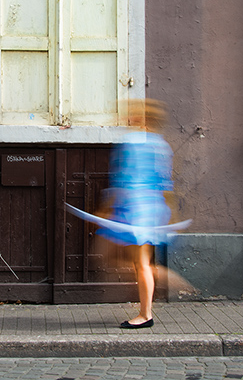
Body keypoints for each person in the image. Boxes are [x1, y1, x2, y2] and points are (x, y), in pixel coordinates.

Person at [95, 98, 174, 329]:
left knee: (137, 262)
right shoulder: (161, 144)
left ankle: (145, 314)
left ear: (139, 118)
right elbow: (165, 182)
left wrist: (108, 206)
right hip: (152, 208)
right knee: (139, 261)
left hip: (134, 210)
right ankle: (153, 294)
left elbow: (123, 178)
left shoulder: (131, 142)